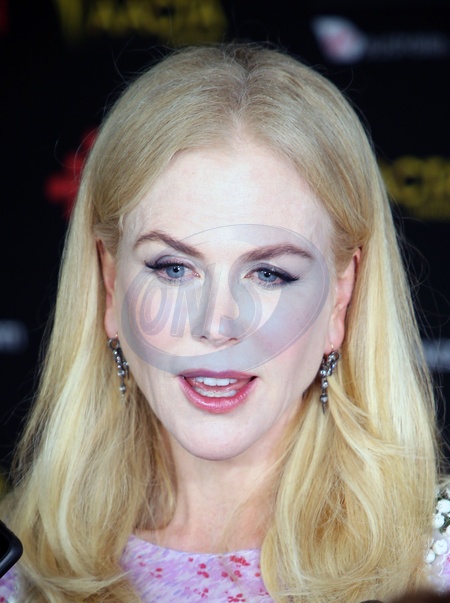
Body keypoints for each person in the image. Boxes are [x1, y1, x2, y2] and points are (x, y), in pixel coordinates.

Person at [0, 43, 447, 603]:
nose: (216, 324)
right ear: (111, 284)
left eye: (268, 274)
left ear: (341, 298)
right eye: (174, 268)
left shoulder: (434, 566)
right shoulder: (17, 576)